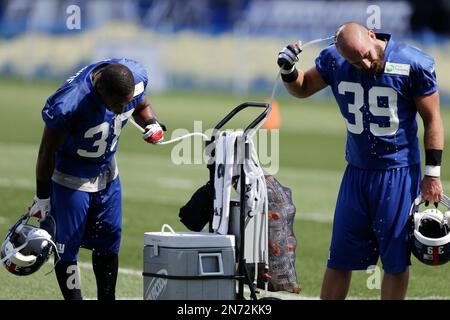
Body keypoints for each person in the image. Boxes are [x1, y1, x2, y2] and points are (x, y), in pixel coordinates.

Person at [277, 22, 444, 299]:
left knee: (395, 262)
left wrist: (433, 174)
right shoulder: (335, 60)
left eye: (366, 55)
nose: (364, 64)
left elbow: (433, 119)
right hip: (356, 173)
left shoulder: (412, 62)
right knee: (339, 258)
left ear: (371, 35)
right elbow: (303, 87)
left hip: (398, 173)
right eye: (355, 61)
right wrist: (288, 70)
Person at [27, 58, 165, 300]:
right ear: (100, 89)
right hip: (71, 177)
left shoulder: (133, 77)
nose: (122, 111)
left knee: (109, 240)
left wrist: (151, 123)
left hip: (108, 173)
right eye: (117, 104)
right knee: (66, 247)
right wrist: (42, 196)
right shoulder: (69, 104)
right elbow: (46, 152)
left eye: (125, 103)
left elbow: (141, 105)